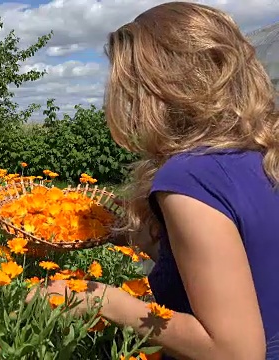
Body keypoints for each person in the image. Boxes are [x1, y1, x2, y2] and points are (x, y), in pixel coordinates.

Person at [26, 2, 279, 359]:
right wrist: (154, 245)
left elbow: (235, 352)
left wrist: (105, 301)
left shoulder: (190, 175)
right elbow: (254, 267)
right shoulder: (259, 155)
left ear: (162, 88)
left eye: (131, 86)